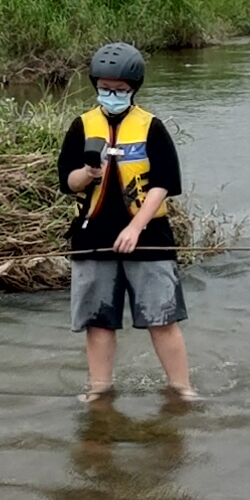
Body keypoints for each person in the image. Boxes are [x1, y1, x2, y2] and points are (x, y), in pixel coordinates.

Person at [60, 41, 198, 406]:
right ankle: (100, 389)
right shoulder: (81, 126)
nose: (112, 95)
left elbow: (164, 183)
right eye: (105, 88)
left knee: (162, 318)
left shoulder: (152, 127)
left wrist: (135, 227)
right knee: (98, 320)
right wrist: (88, 173)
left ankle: (181, 389)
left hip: (149, 236)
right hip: (93, 237)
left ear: (133, 89)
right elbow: (67, 181)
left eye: (119, 90)